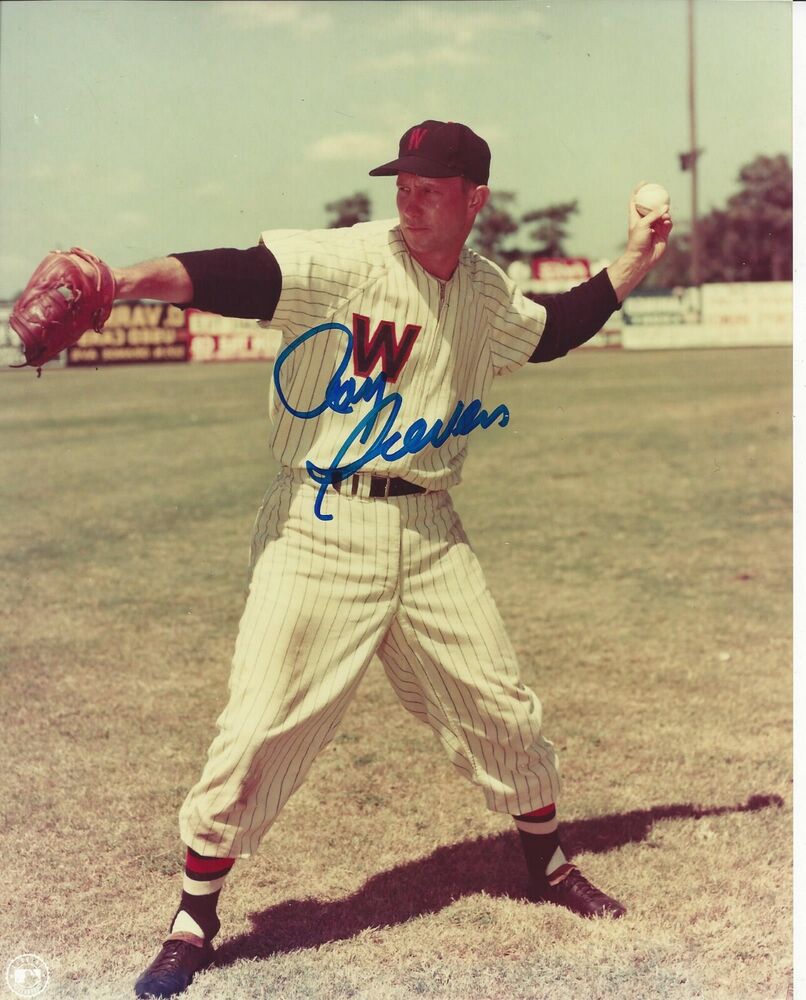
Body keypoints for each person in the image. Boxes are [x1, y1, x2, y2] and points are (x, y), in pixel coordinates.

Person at [115, 120, 671, 998]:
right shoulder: (348, 262)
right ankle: (193, 917)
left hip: (430, 529)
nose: (407, 198)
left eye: (428, 186)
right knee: (258, 726)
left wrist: (636, 256)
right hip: (320, 527)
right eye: (400, 183)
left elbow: (556, 328)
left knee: (503, 707)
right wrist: (119, 281)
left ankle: (549, 867)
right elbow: (233, 271)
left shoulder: (485, 291)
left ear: (474, 199)